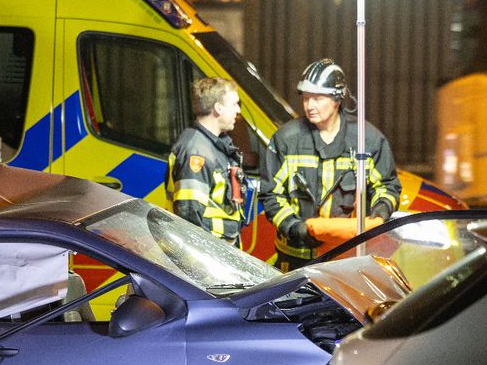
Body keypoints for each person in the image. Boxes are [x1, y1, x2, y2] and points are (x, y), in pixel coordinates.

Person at [259, 58, 401, 272]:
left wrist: (380, 211)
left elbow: (387, 186)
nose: (309, 106)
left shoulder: (367, 140)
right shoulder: (286, 140)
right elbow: (271, 194)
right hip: (295, 258)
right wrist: (294, 227)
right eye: (306, 98)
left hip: (346, 258)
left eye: (317, 98)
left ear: (337, 99)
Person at [167, 77, 247, 245]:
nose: (238, 110)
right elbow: (190, 218)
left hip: (218, 248)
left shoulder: (211, 145)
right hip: (208, 252)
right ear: (218, 108)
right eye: (234, 104)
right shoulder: (197, 152)